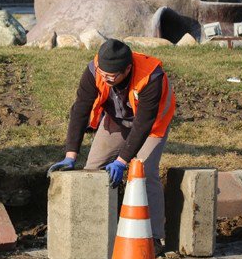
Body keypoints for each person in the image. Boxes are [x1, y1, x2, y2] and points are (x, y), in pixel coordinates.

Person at [47, 38, 176, 244]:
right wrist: (70, 155)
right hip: (116, 120)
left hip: (152, 126)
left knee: (143, 171)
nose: (105, 78)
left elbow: (143, 124)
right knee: (92, 169)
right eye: (103, 74)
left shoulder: (151, 76)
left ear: (127, 69)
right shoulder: (94, 70)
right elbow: (80, 108)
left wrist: (122, 161)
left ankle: (153, 237)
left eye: (111, 76)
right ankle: (93, 231)